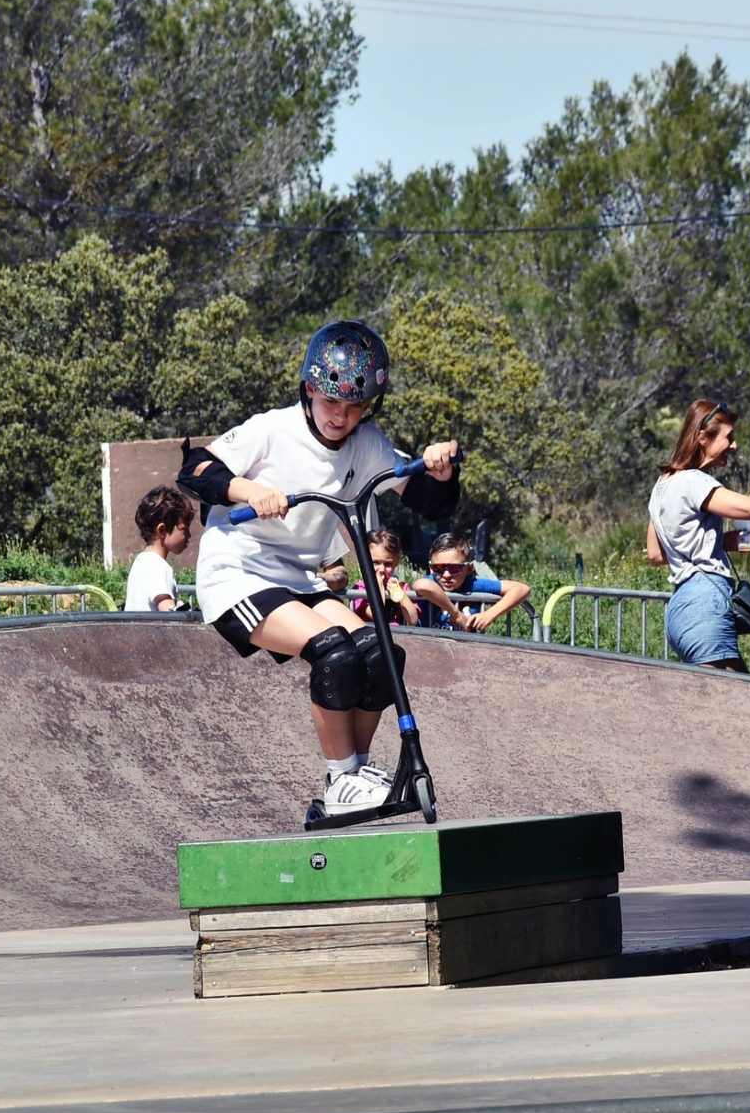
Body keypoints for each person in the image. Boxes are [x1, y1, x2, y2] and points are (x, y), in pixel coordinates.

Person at [178, 319, 461, 817]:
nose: (341, 417)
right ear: (309, 389)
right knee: (334, 652)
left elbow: (430, 501)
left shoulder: (366, 444)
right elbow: (194, 468)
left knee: (381, 654)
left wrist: (442, 471)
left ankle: (355, 775)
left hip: (300, 580)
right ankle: (339, 779)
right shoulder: (273, 429)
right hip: (238, 575)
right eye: (331, 402)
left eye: (355, 407)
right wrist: (250, 491)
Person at [646, 399, 750, 672]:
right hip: (705, 606)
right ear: (702, 438)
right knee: (728, 696)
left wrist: (720, 542)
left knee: (736, 694)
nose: (734, 446)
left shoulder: (662, 486)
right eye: (728, 438)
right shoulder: (694, 481)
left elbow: (656, 554)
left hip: (681, 611)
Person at [419, 531, 531, 633]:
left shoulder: (473, 585)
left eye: (454, 568)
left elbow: (522, 589)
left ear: (469, 568)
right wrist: (456, 614)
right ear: (431, 568)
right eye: (438, 568)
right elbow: (421, 585)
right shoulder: (432, 582)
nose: (446, 575)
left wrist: (489, 615)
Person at [126, 485, 195, 612]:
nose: (189, 535)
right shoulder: (158, 567)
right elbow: (167, 611)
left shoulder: (141, 562)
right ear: (162, 530)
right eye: (184, 530)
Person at [354, 529, 435, 628]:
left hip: (398, 635)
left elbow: (413, 620)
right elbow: (376, 615)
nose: (382, 569)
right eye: (375, 562)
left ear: (396, 563)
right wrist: (378, 587)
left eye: (388, 564)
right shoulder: (360, 589)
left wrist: (399, 593)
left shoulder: (402, 587)